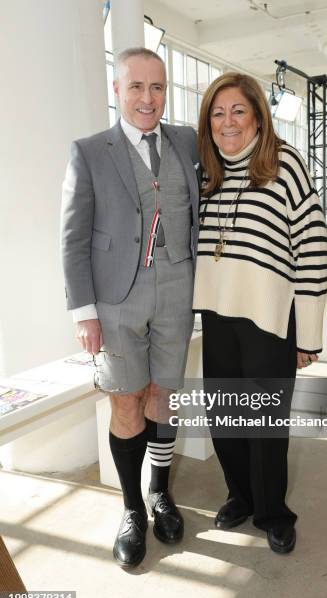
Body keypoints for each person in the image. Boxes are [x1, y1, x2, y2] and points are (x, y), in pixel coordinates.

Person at [61, 47, 199, 568]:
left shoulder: (187, 141)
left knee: (165, 397)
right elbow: (72, 240)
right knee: (126, 402)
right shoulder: (90, 151)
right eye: (137, 87)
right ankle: (131, 508)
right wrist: (84, 314)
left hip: (178, 293)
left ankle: (161, 491)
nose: (149, 97)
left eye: (158, 87)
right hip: (117, 300)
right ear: (117, 90)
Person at [193, 73, 327, 554]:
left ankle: (273, 511)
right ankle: (241, 496)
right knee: (224, 417)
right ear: (207, 122)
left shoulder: (285, 164)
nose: (228, 122)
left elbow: (313, 249)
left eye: (238, 111)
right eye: (218, 112)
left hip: (271, 319)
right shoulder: (205, 171)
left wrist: (309, 336)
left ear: (257, 116)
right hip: (217, 315)